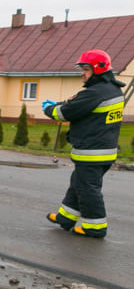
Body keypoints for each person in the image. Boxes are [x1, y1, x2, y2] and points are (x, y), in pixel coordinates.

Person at [43, 49, 125, 238]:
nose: (82, 73)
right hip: (103, 150)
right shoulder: (111, 89)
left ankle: (95, 227)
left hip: (92, 151)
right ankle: (66, 218)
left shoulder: (95, 93)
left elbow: (65, 113)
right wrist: (66, 103)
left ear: (98, 69)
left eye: (86, 69)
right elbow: (82, 108)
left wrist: (50, 109)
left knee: (87, 189)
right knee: (78, 184)